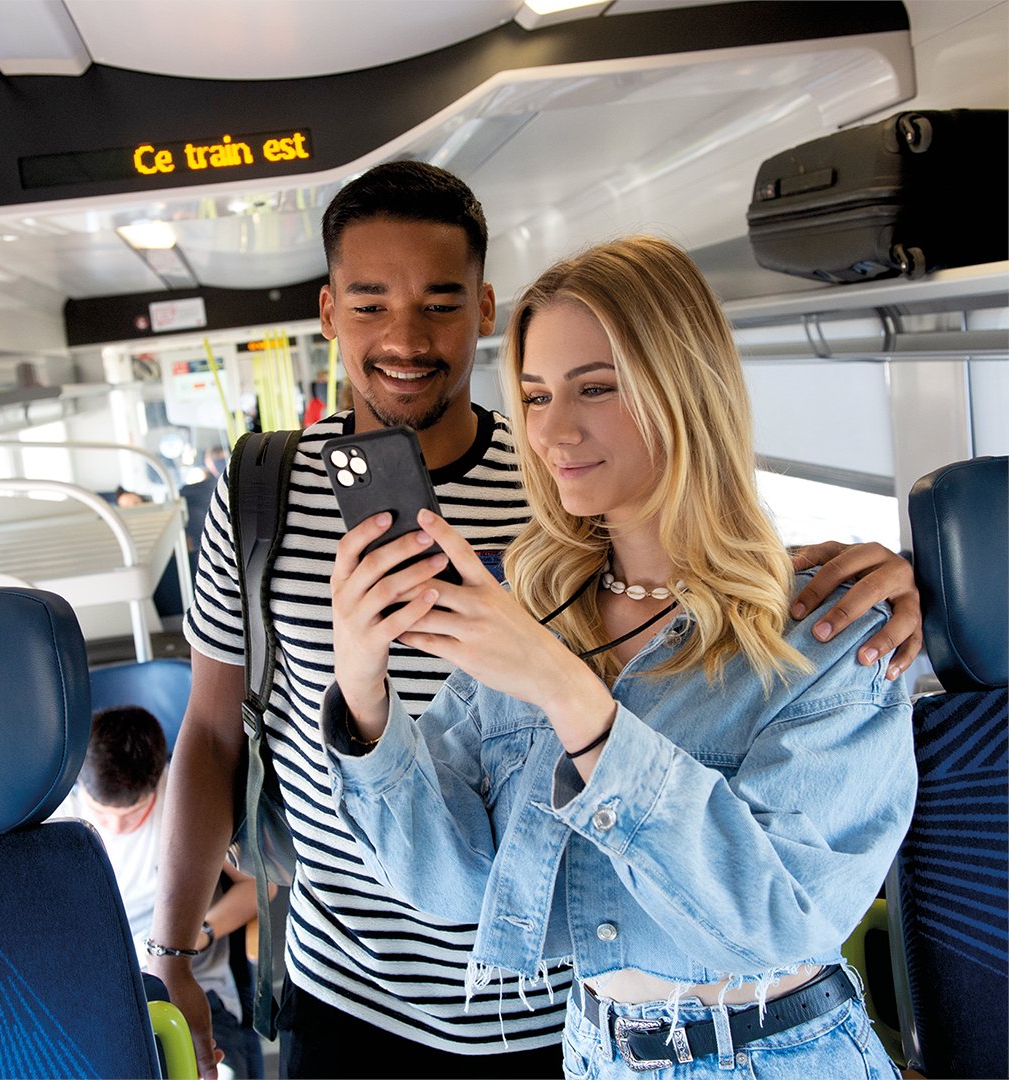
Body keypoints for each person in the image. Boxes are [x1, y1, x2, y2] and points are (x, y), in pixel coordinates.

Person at [149, 161, 922, 1080]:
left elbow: (780, 919)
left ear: (479, 308)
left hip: (577, 1013)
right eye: (542, 395)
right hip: (382, 990)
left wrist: (568, 692)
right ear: (328, 313)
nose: (556, 435)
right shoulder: (280, 498)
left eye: (596, 387)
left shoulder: (790, 618)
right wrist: (358, 684)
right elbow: (224, 739)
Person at [55, 707, 266, 1079]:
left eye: (133, 814)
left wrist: (200, 933)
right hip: (98, 998)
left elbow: (260, 885)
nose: (115, 828)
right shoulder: (60, 815)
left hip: (196, 987)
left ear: (156, 785)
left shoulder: (187, 803)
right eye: (102, 815)